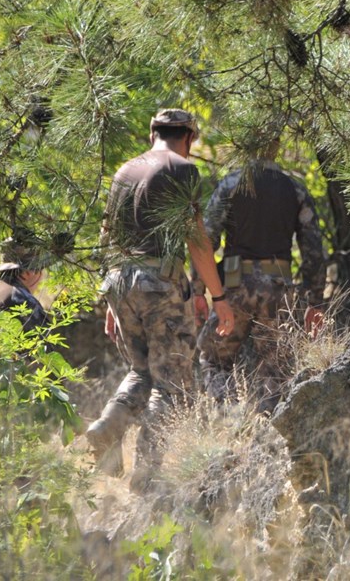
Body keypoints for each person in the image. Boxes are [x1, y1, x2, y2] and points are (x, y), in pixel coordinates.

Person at [87, 108, 235, 490]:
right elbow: (198, 240)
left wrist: (110, 304)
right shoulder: (181, 170)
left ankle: (108, 424)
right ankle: (148, 476)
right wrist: (217, 296)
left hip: (119, 284)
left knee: (141, 372)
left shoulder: (123, 172)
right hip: (160, 284)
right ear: (189, 137)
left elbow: (106, 239)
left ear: (152, 131)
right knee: (172, 386)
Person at [193, 144, 325, 413]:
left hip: (233, 288)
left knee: (214, 359)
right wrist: (315, 301)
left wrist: (198, 289)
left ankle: (229, 419)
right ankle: (269, 434)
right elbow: (313, 249)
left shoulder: (230, 184)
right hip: (278, 290)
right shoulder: (295, 189)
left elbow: (205, 239)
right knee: (276, 369)